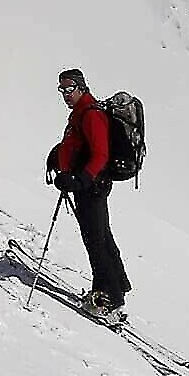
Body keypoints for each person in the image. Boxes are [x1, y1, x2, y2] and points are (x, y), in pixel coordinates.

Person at [46, 67, 132, 318]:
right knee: (101, 236)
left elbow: (100, 154)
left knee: (95, 241)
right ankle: (118, 286)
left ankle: (108, 299)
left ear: (81, 87)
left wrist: (81, 179)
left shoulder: (90, 114)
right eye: (62, 89)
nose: (65, 94)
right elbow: (77, 145)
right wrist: (58, 157)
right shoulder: (81, 112)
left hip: (92, 187)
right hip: (88, 185)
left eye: (69, 88)